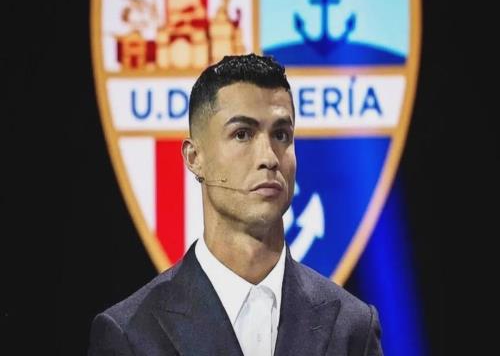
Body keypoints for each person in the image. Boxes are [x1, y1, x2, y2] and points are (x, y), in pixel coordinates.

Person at [88, 53, 383, 355]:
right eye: (242, 134)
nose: (269, 157)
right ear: (194, 158)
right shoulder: (130, 335)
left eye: (281, 135)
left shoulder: (353, 327)